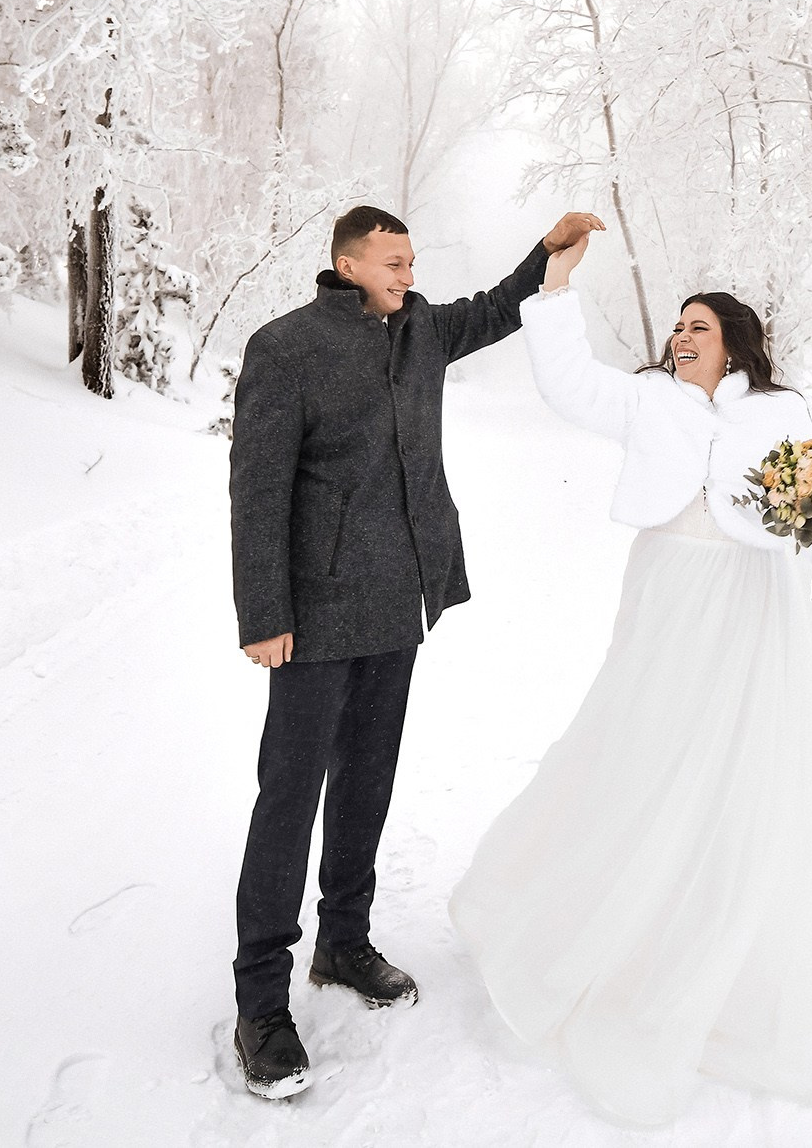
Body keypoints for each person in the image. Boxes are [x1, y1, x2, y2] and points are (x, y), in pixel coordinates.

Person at [449, 220, 812, 1126]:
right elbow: (569, 383)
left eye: (696, 327)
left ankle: (736, 923)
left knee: (746, 754)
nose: (679, 336)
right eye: (676, 326)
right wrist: (553, 291)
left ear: (734, 342)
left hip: (754, 597)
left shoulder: (782, 411)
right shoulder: (648, 400)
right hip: (671, 590)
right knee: (649, 742)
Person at [226, 203, 606, 1100]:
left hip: (399, 600)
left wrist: (546, 255)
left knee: (369, 776)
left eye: (412, 258)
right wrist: (263, 611)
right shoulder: (284, 347)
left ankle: (344, 941)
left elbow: (498, 305)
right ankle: (261, 1003)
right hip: (313, 613)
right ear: (350, 264)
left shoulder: (421, 330)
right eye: (394, 260)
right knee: (290, 793)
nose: (409, 271)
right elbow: (256, 488)